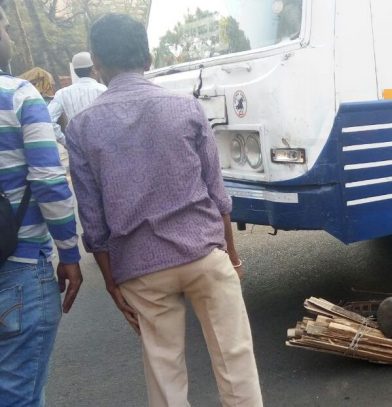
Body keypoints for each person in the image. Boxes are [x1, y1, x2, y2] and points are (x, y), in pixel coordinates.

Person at [67, 13, 263, 407]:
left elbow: (93, 223)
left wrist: (111, 282)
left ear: (99, 66)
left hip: (141, 270)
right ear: (149, 58)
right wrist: (233, 256)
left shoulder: (82, 127)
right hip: (205, 255)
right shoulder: (185, 108)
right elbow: (217, 193)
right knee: (235, 363)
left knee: (165, 377)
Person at [0, 5, 83, 406]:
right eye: (4, 26)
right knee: (19, 394)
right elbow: (49, 183)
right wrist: (70, 253)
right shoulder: (19, 96)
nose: (10, 36)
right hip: (18, 267)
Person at [47, 51, 107, 146]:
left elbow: (47, 119)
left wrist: (65, 141)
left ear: (75, 71)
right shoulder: (104, 90)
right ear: (93, 69)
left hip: (77, 149)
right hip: (103, 147)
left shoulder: (62, 93)